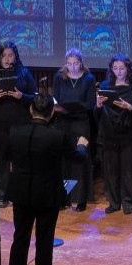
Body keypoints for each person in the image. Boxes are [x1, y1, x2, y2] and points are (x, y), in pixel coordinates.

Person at [4, 93, 89, 265]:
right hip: (47, 194)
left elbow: (6, 156)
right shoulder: (57, 136)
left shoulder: (15, 132)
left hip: (21, 193)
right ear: (51, 113)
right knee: (44, 240)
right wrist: (81, 145)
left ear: (31, 110)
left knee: (20, 238)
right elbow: (77, 158)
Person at [0, 41, 38, 208]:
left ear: (16, 57)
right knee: (2, 161)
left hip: (20, 124)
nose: (7, 59)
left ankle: (18, 194)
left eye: (10, 55)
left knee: (19, 160)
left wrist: (22, 96)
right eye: (4, 55)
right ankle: (2, 195)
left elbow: (35, 96)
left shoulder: (24, 72)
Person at [97, 53, 132, 215]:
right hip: (109, 132)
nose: (118, 72)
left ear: (128, 69)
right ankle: (114, 202)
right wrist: (98, 105)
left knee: (128, 170)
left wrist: (129, 107)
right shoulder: (105, 86)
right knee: (110, 170)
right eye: (115, 68)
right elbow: (96, 113)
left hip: (128, 133)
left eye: (122, 68)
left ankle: (129, 202)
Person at [51, 49, 97, 211]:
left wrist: (73, 108)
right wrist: (60, 108)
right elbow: (56, 99)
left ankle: (80, 198)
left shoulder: (89, 78)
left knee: (79, 160)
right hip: (63, 123)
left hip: (81, 122)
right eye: (69, 64)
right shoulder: (59, 77)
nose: (72, 67)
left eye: (75, 64)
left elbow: (90, 104)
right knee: (63, 161)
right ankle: (64, 197)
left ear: (81, 63)